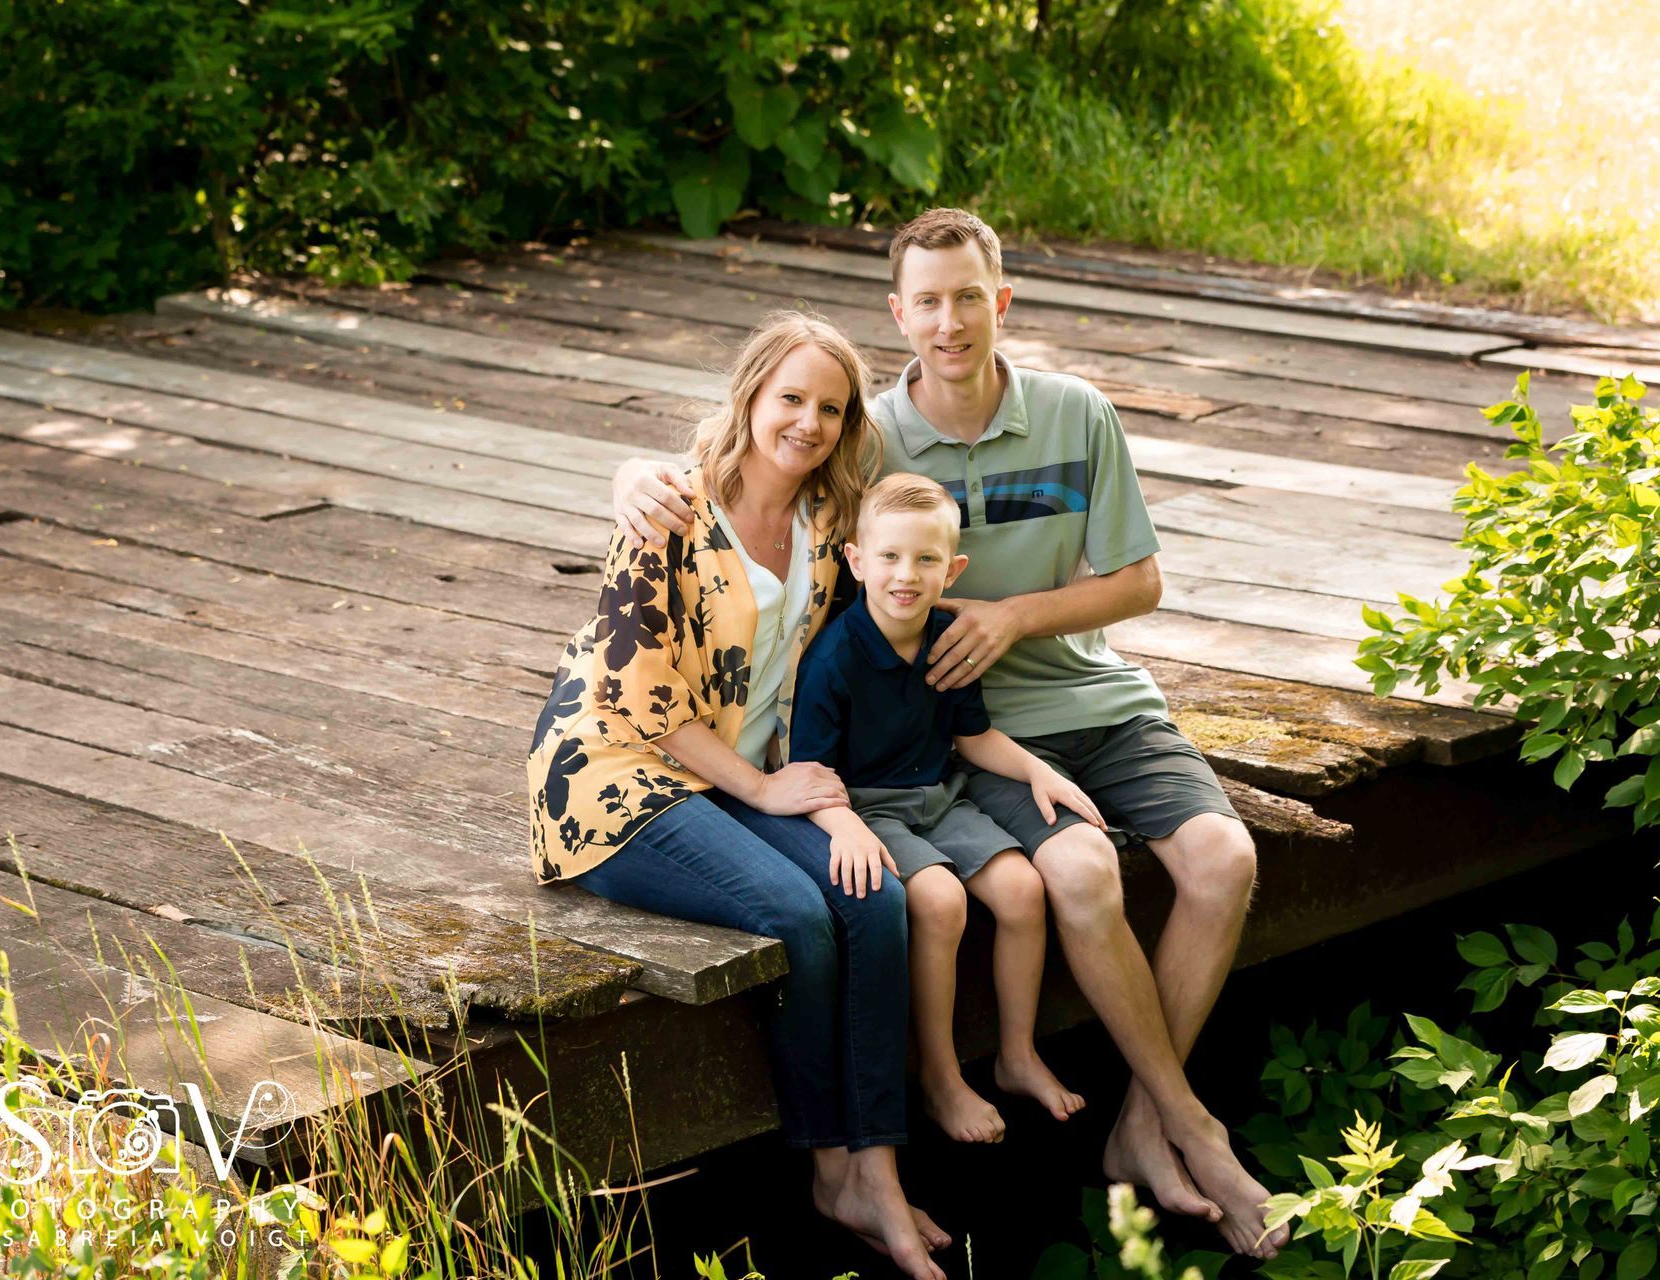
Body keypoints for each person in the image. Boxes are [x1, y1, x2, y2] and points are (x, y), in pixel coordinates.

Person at [609, 209, 1289, 1258]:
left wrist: (1013, 615)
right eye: (927, 300)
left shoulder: (1077, 414)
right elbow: (757, 468)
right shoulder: (868, 435)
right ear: (899, 315)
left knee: (1224, 855)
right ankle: (1185, 1125)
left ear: (1001, 300)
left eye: (968, 295)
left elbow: (1142, 579)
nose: (950, 320)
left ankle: (1150, 1124)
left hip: (1096, 703)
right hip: (975, 731)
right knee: (1063, 879)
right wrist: (627, 482)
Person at [528, 312, 952, 1280]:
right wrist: (765, 786)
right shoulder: (670, 512)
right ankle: (826, 1162)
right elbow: (638, 702)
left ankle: (876, 1168)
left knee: (876, 897)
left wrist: (831, 803)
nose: (807, 422)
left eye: (830, 409)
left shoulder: (830, 528)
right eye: (790, 398)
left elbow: (822, 677)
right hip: (616, 781)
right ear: (751, 397)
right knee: (798, 911)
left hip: (747, 773)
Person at [790, 471, 1094, 1146]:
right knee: (940, 901)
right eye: (891, 557)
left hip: (939, 795)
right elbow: (808, 772)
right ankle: (940, 1074)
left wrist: (1038, 771)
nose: (906, 575)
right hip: (867, 808)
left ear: (953, 567)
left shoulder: (947, 636)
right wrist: (841, 824)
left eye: (926, 560)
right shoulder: (835, 659)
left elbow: (971, 734)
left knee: (1021, 888)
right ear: (857, 560)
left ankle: (1016, 1056)